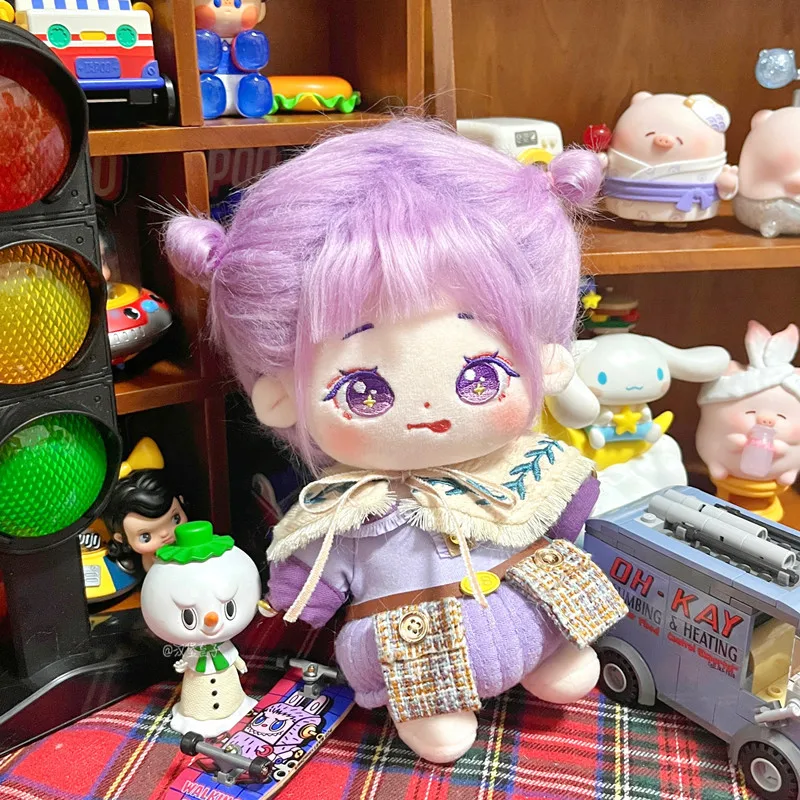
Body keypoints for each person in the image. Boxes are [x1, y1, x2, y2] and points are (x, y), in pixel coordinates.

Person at [164, 118, 626, 763]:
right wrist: (297, 597)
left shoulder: (518, 465)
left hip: (520, 596)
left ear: (544, 359)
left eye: (480, 376)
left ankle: (545, 654)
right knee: (425, 692)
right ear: (282, 394)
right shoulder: (346, 508)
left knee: (553, 626)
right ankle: (436, 704)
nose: (430, 411)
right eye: (363, 391)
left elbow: (564, 506)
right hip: (413, 634)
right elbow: (314, 569)